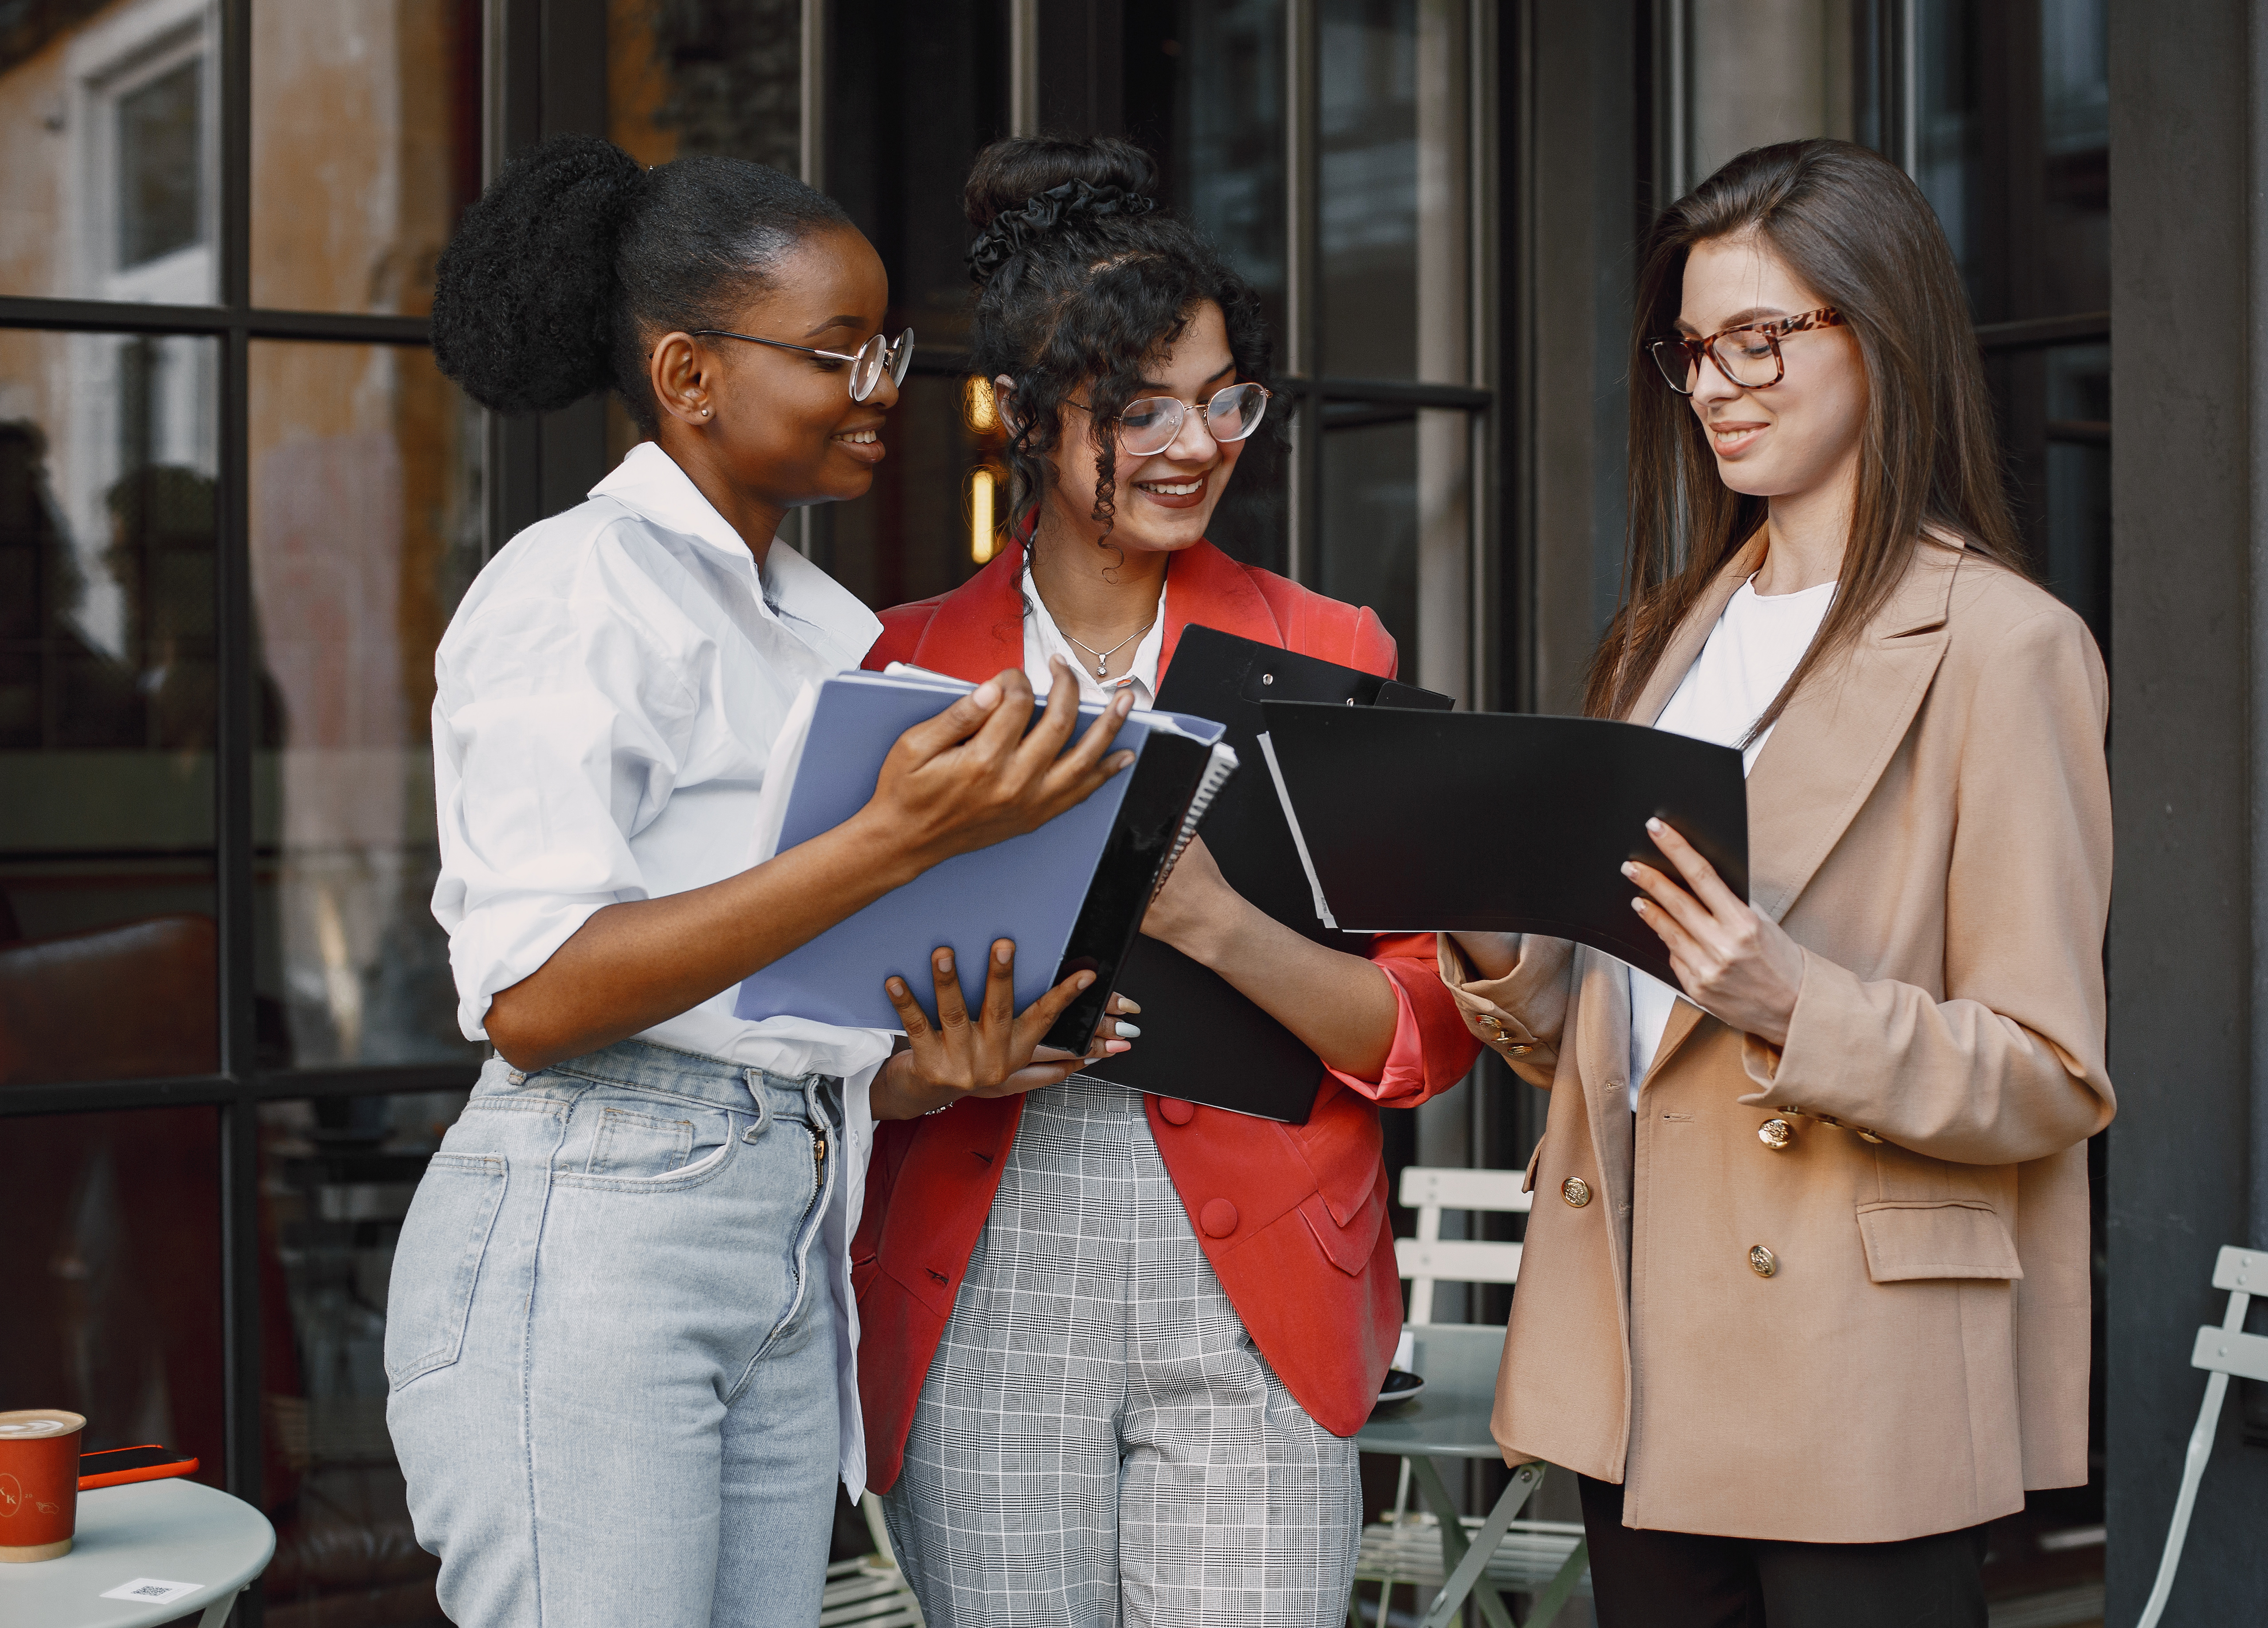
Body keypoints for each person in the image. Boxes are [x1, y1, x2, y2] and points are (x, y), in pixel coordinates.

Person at [385, 134, 1138, 1628]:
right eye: (839, 356)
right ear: (688, 376)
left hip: (785, 1212)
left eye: (888, 350)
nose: (885, 394)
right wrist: (898, 839)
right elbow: (536, 1001)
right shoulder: (570, 594)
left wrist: (916, 1073)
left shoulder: (822, 625)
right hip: (590, 1229)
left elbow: (769, 992)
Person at [1443, 138, 2115, 1628]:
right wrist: (1482, 913)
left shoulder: (2004, 649)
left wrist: (1792, 1001)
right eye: (1694, 350)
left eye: (1763, 338)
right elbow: (1616, 1037)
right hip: (1637, 1340)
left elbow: (2051, 1073)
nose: (1721, 385)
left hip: (1849, 1364)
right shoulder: (1660, 644)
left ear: (1880, 335)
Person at [853, 135, 1483, 1628]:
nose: (1192, 443)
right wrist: (927, 1076)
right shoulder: (894, 667)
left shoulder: (1333, 654)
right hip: (983, 1283)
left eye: (1221, 399)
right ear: (1026, 417)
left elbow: (1422, 1032)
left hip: (1261, 1288)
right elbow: (820, 1051)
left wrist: (1210, 920)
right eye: (1136, 407)